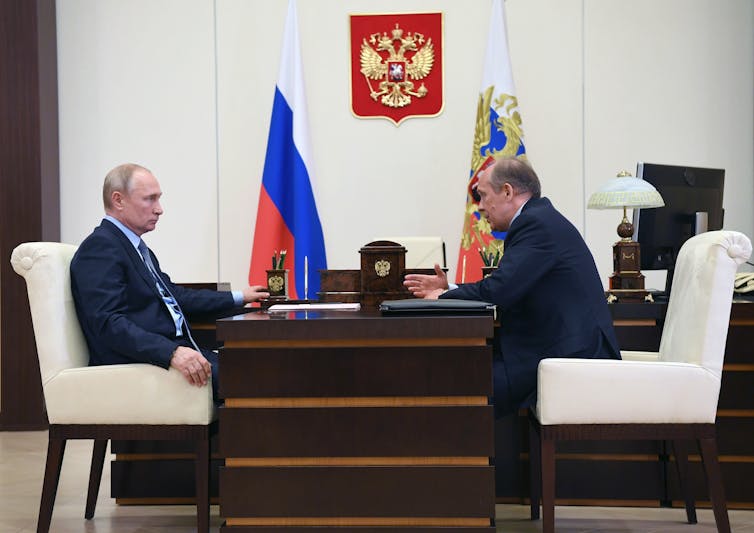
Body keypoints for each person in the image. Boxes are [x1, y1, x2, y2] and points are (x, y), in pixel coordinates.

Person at [404, 157, 620, 416]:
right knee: (460, 372)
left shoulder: (536, 224)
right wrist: (449, 287)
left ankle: (476, 456)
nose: (481, 207)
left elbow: (500, 290)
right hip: (555, 347)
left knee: (461, 382)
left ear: (507, 191)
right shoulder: (539, 218)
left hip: (571, 357)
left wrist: (445, 295)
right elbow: (507, 284)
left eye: (483, 196)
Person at [70, 163, 269, 400]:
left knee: (261, 367)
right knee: (256, 378)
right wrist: (172, 352)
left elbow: (175, 296)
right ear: (118, 200)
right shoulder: (100, 247)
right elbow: (109, 323)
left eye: (158, 199)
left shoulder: (134, 248)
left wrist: (239, 296)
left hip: (168, 352)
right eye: (149, 199)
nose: (159, 209)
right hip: (140, 363)